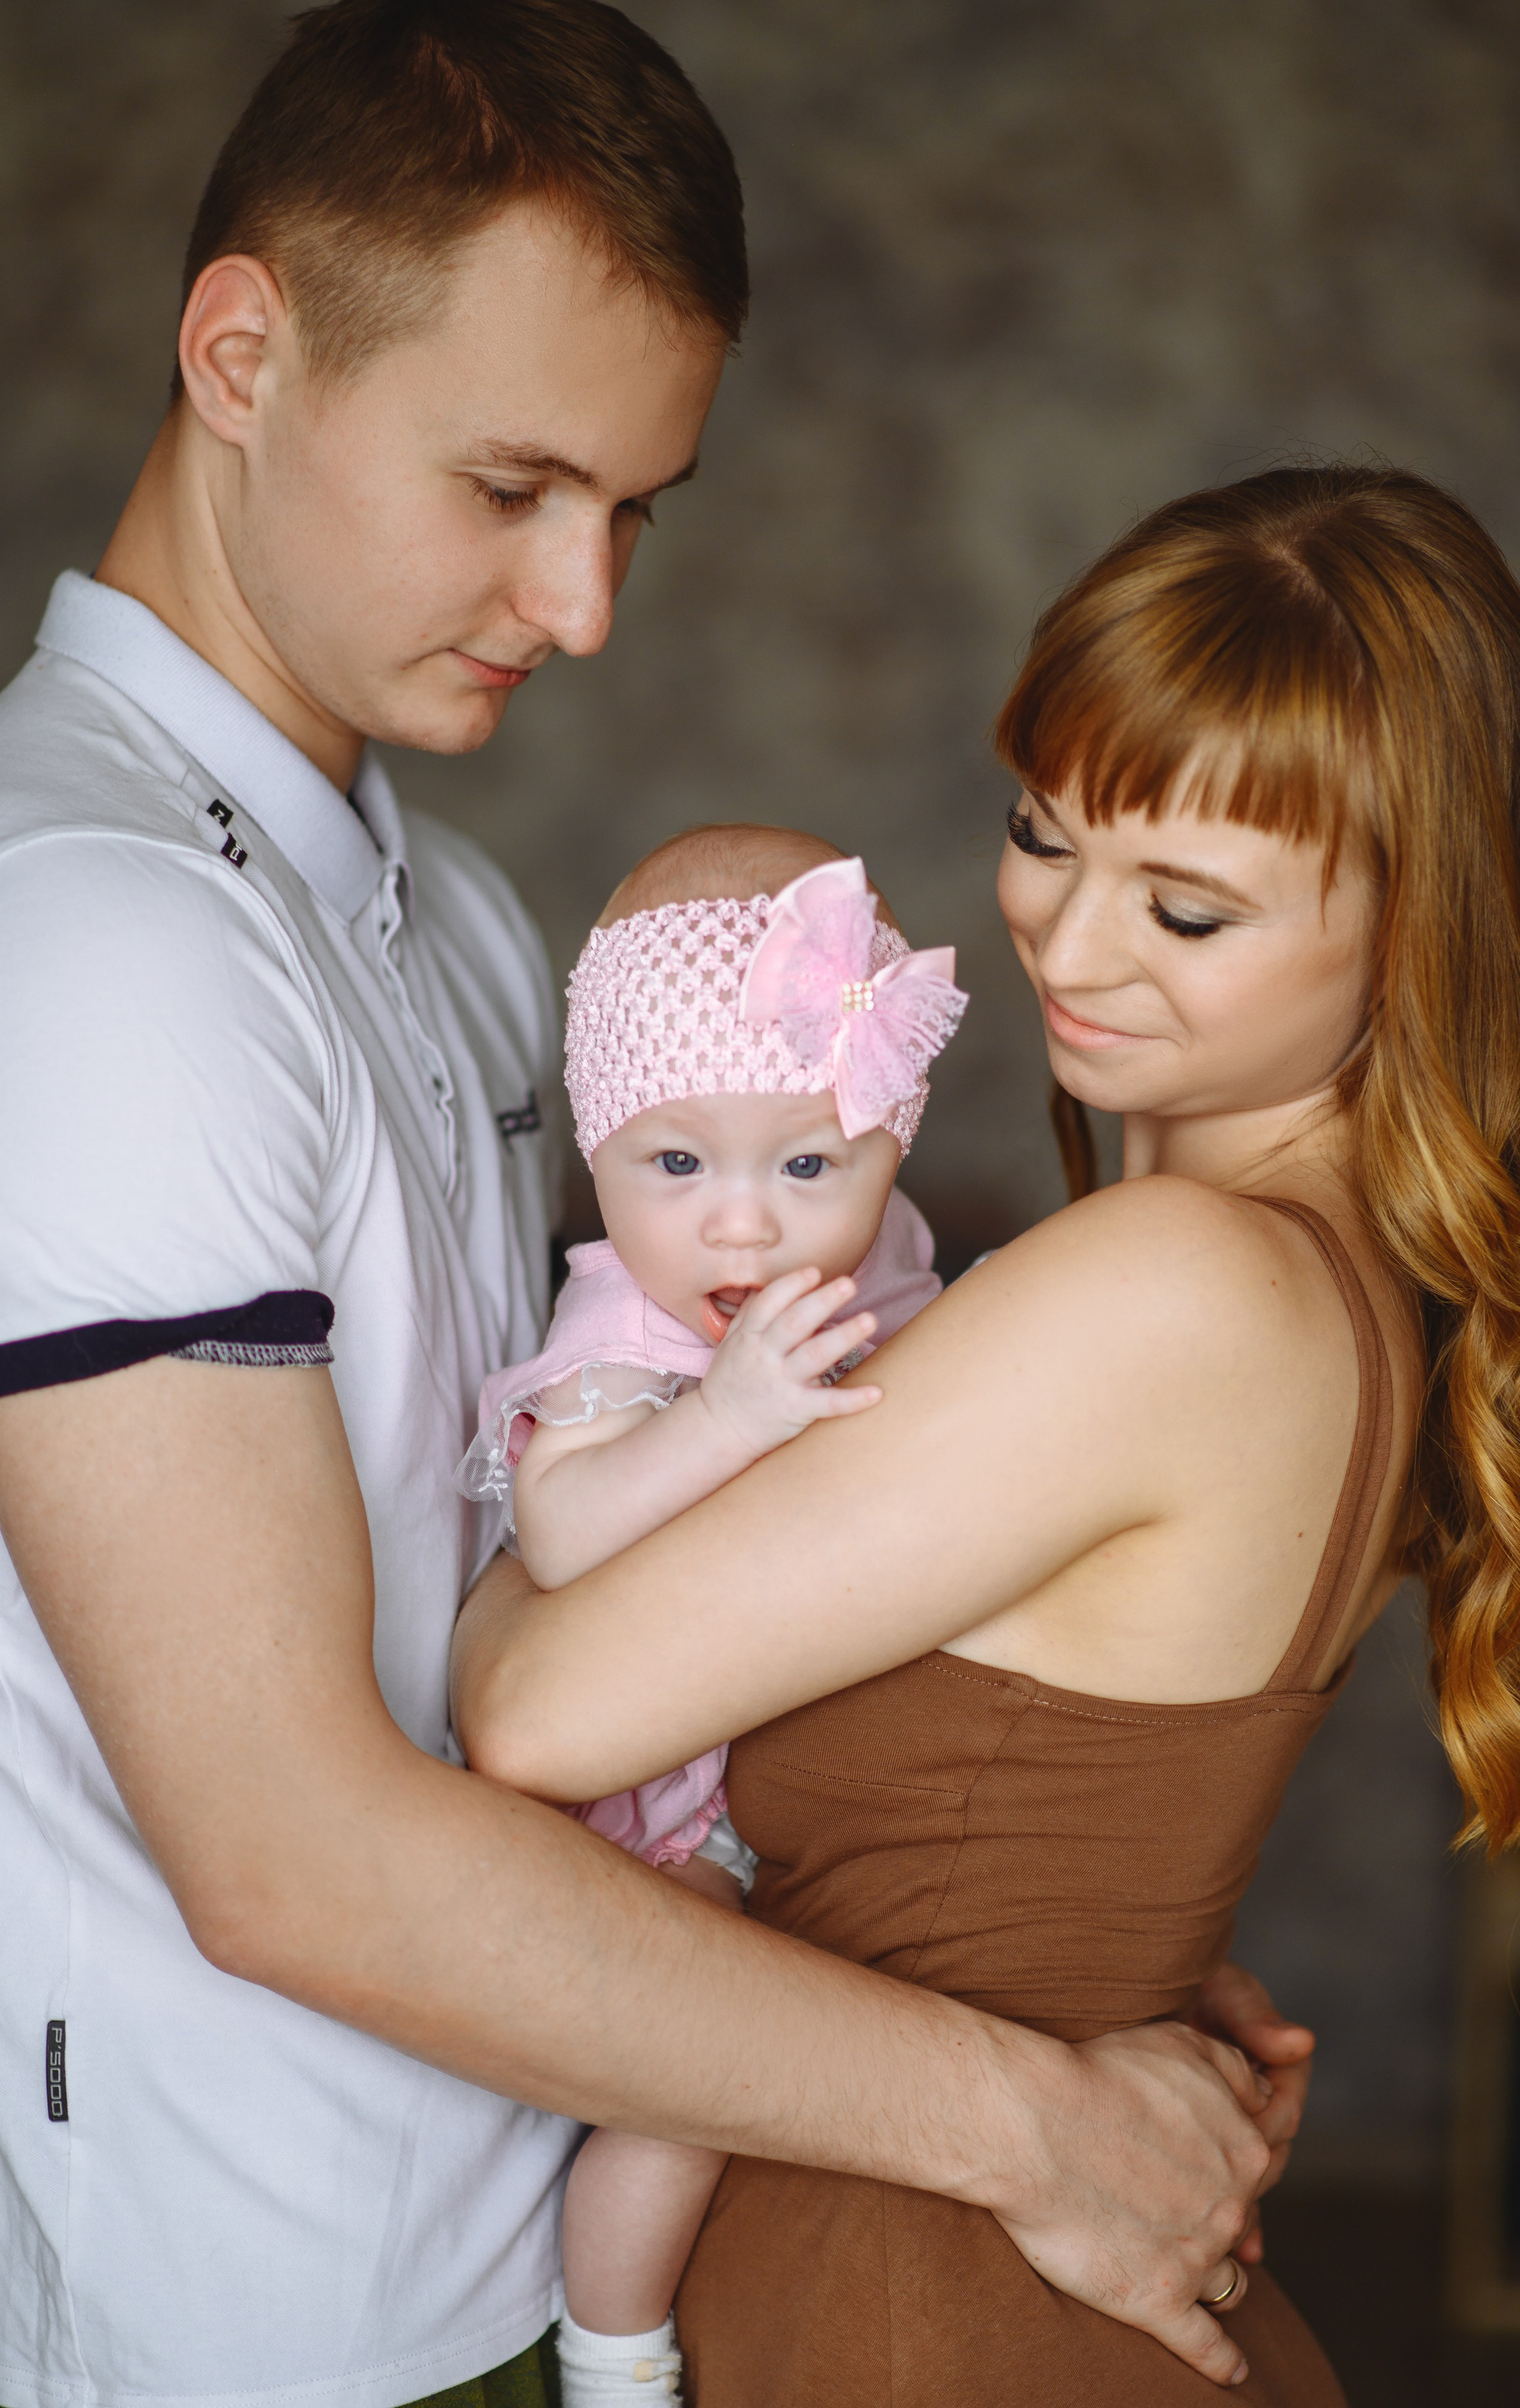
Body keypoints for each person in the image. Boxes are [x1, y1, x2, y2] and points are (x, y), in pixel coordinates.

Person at [0, 0, 1305, 2408]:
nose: (587, 608)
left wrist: (1005, 1928)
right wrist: (1036, 2118)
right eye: (513, 489)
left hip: (568, 2222)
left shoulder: (475, 922)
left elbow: (601, 1540)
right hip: (285, 2333)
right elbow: (290, 1854)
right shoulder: (89, 940)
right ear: (242, 353)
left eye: (631, 513)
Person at [453, 463, 1520, 2404]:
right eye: (1043, 837)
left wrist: (529, 1503)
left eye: (1185, 907)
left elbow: (531, 1710)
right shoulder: (1320, 1280)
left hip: (916, 2302)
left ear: (1422, 927)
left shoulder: (1174, 1286)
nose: (1066, 950)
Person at [457, 823, 967, 2402]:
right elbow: (560, 1531)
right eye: (674, 1166)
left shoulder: (874, 1253)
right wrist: (724, 1417)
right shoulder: (630, 1323)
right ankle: (612, 2354)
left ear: (886, 1154)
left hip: (783, 1761)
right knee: (692, 2084)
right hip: (648, 1818)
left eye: (807, 1164)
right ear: (601, 1153)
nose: (740, 1228)